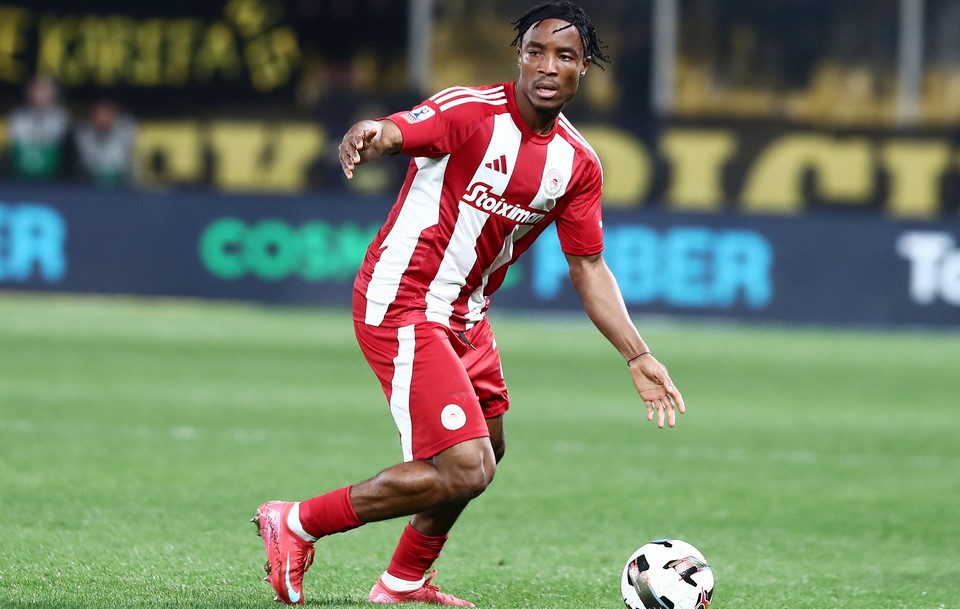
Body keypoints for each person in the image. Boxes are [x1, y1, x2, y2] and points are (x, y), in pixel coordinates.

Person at [252, 2, 686, 606]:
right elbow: (398, 130)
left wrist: (637, 355)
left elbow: (588, 266)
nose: (547, 66)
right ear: (519, 57)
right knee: (465, 466)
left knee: (489, 451)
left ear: (583, 67)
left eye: (564, 56)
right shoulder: (470, 112)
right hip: (403, 301)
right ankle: (298, 522)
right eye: (535, 51)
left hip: (466, 315)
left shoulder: (578, 164)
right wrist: (369, 134)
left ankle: (402, 582)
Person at [5, 75, 70, 181]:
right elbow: (13, 147)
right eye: (36, 89)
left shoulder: (62, 118)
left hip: (54, 179)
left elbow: (58, 145)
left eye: (44, 90)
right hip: (18, 177)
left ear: (54, 93)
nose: (39, 94)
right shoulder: (16, 117)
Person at [72, 99, 138, 188]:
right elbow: (88, 164)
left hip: (125, 185)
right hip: (90, 185)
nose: (102, 119)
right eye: (98, 115)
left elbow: (121, 164)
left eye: (107, 115)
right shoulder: (84, 135)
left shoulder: (127, 132)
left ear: (114, 116)